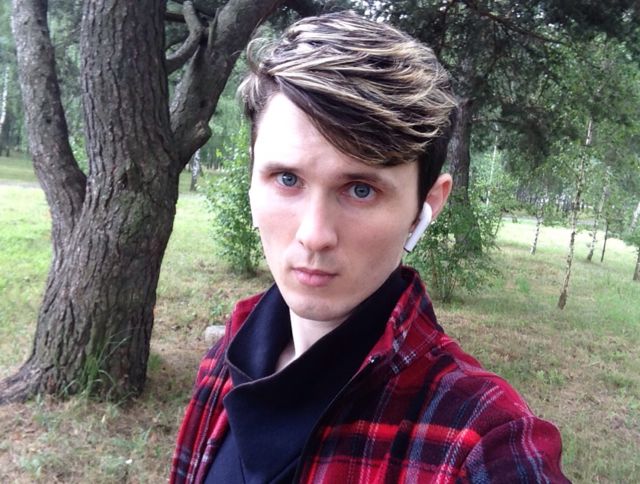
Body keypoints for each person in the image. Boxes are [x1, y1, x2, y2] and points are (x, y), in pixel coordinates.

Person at [170, 11, 569, 484]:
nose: (314, 234)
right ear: (253, 181)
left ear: (425, 206)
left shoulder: (482, 443)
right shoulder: (225, 361)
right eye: (287, 179)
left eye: (361, 190)